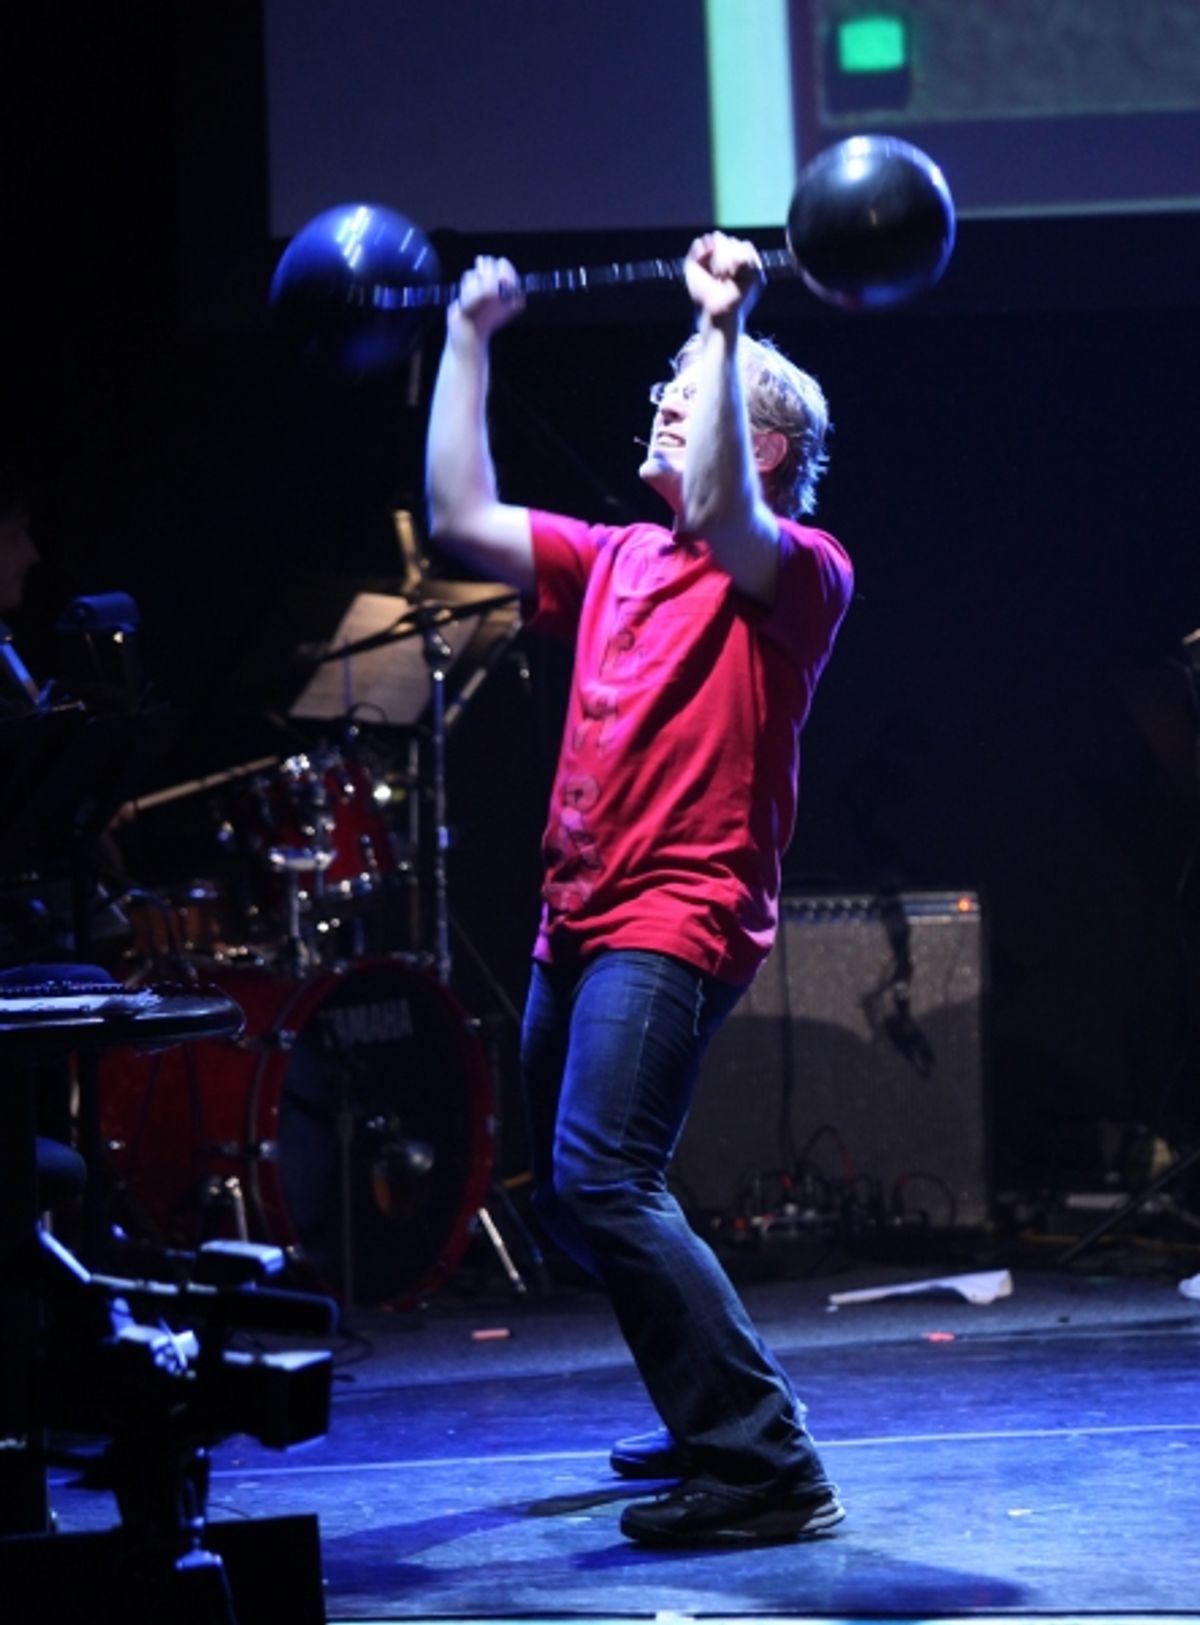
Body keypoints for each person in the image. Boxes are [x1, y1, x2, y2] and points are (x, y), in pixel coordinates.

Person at [425, 230, 854, 1547]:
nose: (668, 395)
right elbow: (458, 519)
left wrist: (722, 324)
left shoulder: (797, 570)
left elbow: (727, 512)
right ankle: (702, 1401)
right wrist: (466, 340)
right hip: (581, 914)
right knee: (573, 1189)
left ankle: (765, 1460)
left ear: (764, 447)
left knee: (604, 1174)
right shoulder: (614, 555)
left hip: (679, 910)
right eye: (671, 380)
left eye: (700, 390)